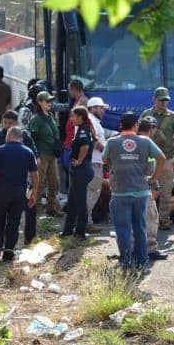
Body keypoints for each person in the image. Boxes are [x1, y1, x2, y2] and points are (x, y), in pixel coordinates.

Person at [105, 112, 165, 270]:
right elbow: (162, 158)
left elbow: (105, 160)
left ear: (120, 126)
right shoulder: (145, 141)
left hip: (119, 192)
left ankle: (126, 262)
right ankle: (142, 261)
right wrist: (152, 178)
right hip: (141, 192)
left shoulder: (111, 142)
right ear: (136, 125)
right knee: (140, 227)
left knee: (123, 228)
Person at [0, 110, 39, 245]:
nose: (7, 126)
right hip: (1, 180)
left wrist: (34, 182)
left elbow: (36, 159)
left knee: (31, 208)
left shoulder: (24, 136)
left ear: (16, 123)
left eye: (10, 123)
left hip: (23, 179)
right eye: (5, 123)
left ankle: (30, 239)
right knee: (0, 216)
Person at [141, 87, 174, 229]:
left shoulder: (173, 116)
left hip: (167, 158)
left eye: (166, 100)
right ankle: (146, 218)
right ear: (154, 99)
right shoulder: (146, 114)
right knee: (146, 189)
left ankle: (164, 219)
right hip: (148, 158)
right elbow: (140, 135)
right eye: (161, 100)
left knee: (166, 190)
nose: (164, 103)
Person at [60, 106, 95, 240]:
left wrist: (79, 161)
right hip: (80, 171)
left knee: (80, 203)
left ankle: (80, 232)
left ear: (80, 117)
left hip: (82, 170)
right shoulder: (82, 129)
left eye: (73, 116)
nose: (71, 118)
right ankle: (68, 230)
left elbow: (85, 146)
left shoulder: (83, 131)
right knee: (73, 202)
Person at [137, 117, 167, 260]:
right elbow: (159, 161)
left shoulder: (130, 141)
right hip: (144, 186)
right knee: (151, 217)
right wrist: (154, 180)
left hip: (128, 186)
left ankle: (132, 248)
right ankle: (150, 249)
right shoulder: (147, 143)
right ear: (151, 129)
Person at [28, 90, 62, 217]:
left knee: (54, 183)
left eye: (50, 101)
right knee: (39, 182)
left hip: (52, 155)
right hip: (41, 155)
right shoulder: (36, 119)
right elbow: (31, 139)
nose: (50, 103)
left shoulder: (51, 116)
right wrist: (36, 156)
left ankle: (51, 208)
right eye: (47, 101)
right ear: (39, 102)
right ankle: (34, 209)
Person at [86, 97, 108, 231]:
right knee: (92, 192)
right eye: (101, 108)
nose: (103, 111)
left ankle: (86, 221)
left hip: (95, 161)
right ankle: (86, 222)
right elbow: (94, 141)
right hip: (93, 162)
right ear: (92, 108)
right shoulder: (90, 121)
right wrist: (107, 152)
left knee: (93, 192)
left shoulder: (94, 121)